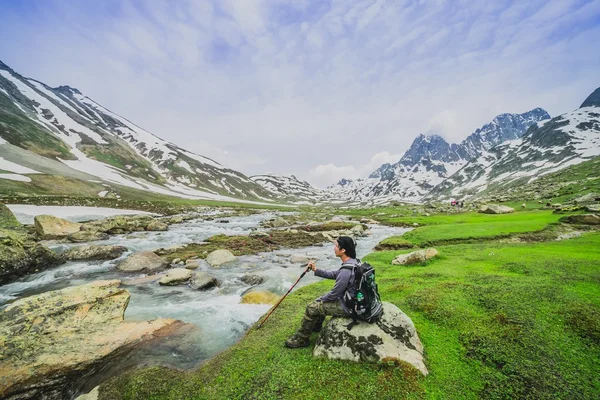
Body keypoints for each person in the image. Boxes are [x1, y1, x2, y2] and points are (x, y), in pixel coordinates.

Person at [285, 236, 358, 348]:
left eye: (336, 246)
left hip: (348, 306)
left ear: (343, 250)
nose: (334, 248)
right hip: (352, 301)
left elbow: (334, 294)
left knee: (312, 307)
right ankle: (315, 326)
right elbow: (335, 274)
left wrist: (319, 300)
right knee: (320, 302)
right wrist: (316, 270)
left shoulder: (346, 271)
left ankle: (302, 339)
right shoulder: (353, 262)